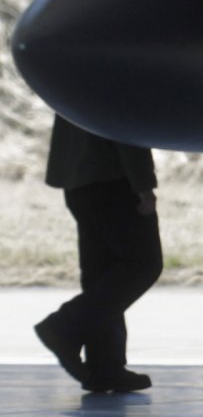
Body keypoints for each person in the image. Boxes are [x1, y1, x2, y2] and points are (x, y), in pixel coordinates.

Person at [30, 115, 162, 395]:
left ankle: (105, 368)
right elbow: (121, 118)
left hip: (78, 176)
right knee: (143, 263)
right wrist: (142, 181)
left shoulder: (70, 68)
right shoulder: (119, 69)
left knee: (103, 272)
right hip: (112, 174)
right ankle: (64, 326)